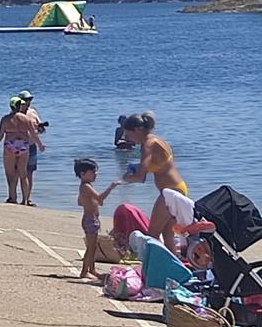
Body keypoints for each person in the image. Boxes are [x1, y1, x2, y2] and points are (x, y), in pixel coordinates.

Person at [121, 111, 188, 252]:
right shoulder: (157, 140)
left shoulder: (148, 145)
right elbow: (158, 165)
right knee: (167, 235)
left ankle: (154, 269)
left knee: (152, 234)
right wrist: (137, 166)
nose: (128, 139)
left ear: (138, 130)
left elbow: (140, 177)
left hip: (170, 192)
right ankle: (175, 267)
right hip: (178, 187)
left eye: (129, 134)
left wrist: (126, 178)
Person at [0, 97, 46, 205]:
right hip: (24, 146)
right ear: (19, 106)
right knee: (23, 174)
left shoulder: (5, 119)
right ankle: (25, 200)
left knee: (10, 174)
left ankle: (12, 197)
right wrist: (40, 145)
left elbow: (1, 135)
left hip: (10, 146)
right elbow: (33, 134)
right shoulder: (26, 119)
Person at [75, 158, 121, 280]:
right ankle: (85, 271)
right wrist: (111, 187)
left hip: (91, 219)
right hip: (90, 220)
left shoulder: (86, 187)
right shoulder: (86, 186)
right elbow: (100, 199)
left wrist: (90, 202)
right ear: (83, 174)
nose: (96, 175)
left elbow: (80, 202)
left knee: (93, 247)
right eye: (93, 172)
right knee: (91, 247)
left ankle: (92, 269)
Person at [17, 90, 47, 205]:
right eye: (26, 100)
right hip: (19, 146)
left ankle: (26, 199)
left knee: (29, 173)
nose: (28, 102)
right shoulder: (16, 113)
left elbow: (40, 129)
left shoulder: (33, 112)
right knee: (18, 172)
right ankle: (14, 197)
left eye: (29, 100)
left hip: (31, 146)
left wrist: (40, 128)